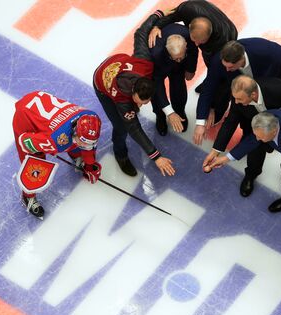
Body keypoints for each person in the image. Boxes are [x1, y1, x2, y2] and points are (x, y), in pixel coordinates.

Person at [93, 10, 175, 177]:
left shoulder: (144, 63)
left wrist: (158, 14)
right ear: (133, 92)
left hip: (118, 63)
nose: (141, 105)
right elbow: (134, 128)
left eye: (145, 102)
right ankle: (120, 154)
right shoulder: (121, 98)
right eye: (139, 102)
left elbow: (141, 33)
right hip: (101, 83)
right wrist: (156, 157)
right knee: (122, 127)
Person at [13, 91, 102, 219]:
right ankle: (28, 196)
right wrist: (43, 150)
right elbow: (24, 141)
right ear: (75, 132)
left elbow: (86, 144)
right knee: (35, 164)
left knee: (74, 143)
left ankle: (75, 154)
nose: (87, 145)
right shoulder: (57, 141)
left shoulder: (93, 119)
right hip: (24, 118)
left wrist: (90, 165)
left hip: (44, 109)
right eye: (83, 141)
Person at [193, 39, 281, 145]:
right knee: (243, 110)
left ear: (241, 59)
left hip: (269, 75)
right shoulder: (218, 62)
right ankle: (248, 135)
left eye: (230, 67)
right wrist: (200, 123)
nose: (226, 69)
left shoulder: (268, 53)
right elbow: (208, 89)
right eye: (225, 65)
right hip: (242, 84)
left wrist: (279, 91)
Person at [135, 17, 199, 136]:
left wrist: (190, 68)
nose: (179, 61)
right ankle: (160, 116)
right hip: (159, 67)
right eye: (176, 58)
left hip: (176, 68)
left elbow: (194, 51)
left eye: (181, 57)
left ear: (185, 45)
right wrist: (168, 112)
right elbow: (157, 85)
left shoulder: (189, 37)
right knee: (155, 94)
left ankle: (180, 111)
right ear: (166, 50)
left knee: (179, 87)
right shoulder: (155, 53)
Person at [148, 0, 237, 68]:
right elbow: (172, 15)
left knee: (217, 63)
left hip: (227, 37)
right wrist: (157, 26)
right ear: (190, 26)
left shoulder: (222, 39)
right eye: (194, 40)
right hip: (218, 29)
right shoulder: (186, 9)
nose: (196, 44)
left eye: (201, 41)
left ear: (209, 35)